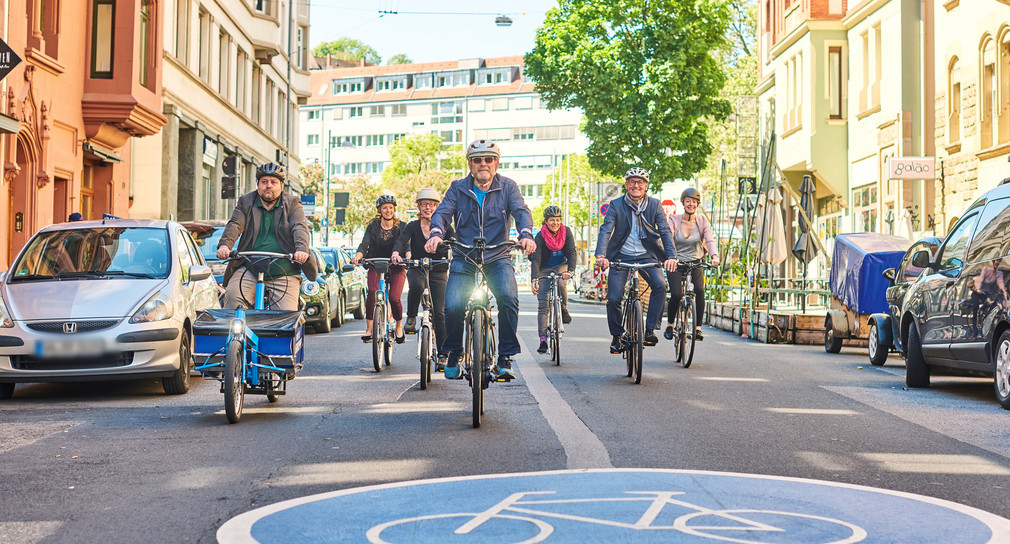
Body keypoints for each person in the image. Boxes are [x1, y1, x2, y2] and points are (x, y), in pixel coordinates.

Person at [424, 139, 536, 380]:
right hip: (464, 256)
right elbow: (443, 213)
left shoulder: (508, 187)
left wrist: (526, 234)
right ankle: (454, 351)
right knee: (452, 305)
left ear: (496, 163)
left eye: (488, 159)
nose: (483, 164)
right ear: (470, 164)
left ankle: (505, 356)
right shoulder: (457, 188)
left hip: (497, 256)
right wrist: (435, 234)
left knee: (508, 298)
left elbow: (521, 211)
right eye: (477, 160)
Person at [594, 167, 678, 354]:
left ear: (646, 186)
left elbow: (664, 231)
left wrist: (671, 256)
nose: (636, 185)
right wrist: (601, 255)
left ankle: (649, 330)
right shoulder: (616, 205)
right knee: (614, 298)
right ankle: (617, 336)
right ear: (626, 185)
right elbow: (606, 230)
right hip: (621, 256)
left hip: (647, 255)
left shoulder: (655, 205)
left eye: (640, 182)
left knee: (660, 286)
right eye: (632, 182)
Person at [217, 162, 314, 311]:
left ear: (282, 186)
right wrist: (225, 245)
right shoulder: (246, 202)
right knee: (232, 297)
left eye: (273, 182)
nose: (268, 185)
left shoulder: (293, 204)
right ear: (258, 185)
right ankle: (238, 333)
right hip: (249, 268)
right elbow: (235, 224)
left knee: (285, 318)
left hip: (284, 271)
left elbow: (299, 227)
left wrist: (301, 249)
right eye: (264, 182)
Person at [391, 188, 454, 370]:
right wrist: (396, 252)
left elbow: (454, 242)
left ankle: (443, 354)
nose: (428, 208)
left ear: (437, 207)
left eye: (432, 205)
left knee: (439, 313)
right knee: (417, 286)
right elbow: (401, 241)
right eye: (424, 204)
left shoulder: (444, 226)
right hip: (417, 267)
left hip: (438, 269)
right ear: (419, 207)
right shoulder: (412, 226)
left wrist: (455, 254)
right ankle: (411, 316)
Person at [665, 187, 720, 341]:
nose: (691, 204)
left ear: (697, 204)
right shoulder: (674, 220)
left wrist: (714, 256)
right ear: (683, 202)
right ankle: (670, 325)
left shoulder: (702, 221)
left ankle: (697, 328)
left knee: (700, 290)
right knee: (676, 294)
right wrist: (670, 257)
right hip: (676, 262)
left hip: (695, 262)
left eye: (694, 202)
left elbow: (709, 239)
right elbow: (668, 239)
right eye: (688, 201)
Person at [352, 195, 406, 344]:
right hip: (376, 264)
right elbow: (364, 244)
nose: (388, 210)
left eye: (390, 207)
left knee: (394, 298)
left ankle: (399, 326)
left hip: (396, 266)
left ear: (394, 209)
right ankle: (369, 329)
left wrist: (407, 256)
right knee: (372, 292)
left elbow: (406, 245)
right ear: (379, 210)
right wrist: (358, 255)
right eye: (384, 208)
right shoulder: (373, 227)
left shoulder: (402, 226)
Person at [530, 205, 576, 354]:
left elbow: (571, 252)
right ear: (546, 221)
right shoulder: (540, 236)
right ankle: (543, 340)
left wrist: (571, 271)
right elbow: (536, 260)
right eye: (551, 220)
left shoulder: (566, 232)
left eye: (557, 220)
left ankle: (563, 308)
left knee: (561, 283)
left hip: (561, 265)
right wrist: (534, 279)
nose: (555, 223)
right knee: (543, 304)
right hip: (544, 267)